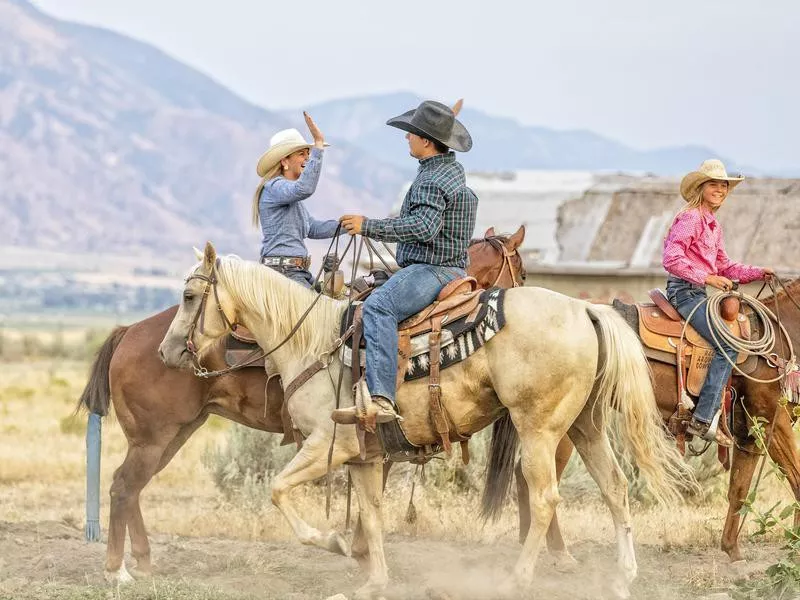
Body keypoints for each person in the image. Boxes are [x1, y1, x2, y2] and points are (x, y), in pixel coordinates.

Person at [332, 100, 478, 425]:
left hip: (432, 271)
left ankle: (381, 398)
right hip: (451, 267)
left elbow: (424, 227)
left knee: (379, 307)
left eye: (411, 133)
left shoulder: (430, 180)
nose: (406, 138)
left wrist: (367, 226)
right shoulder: (450, 173)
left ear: (426, 141)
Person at [663, 159, 774, 445]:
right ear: (701, 187)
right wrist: (708, 279)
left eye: (724, 185)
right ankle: (703, 418)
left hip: (698, 293)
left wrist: (756, 272)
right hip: (684, 291)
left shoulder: (713, 225)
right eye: (714, 184)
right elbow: (671, 259)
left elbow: (723, 264)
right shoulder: (691, 218)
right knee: (727, 343)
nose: (721, 189)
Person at [252, 112, 341, 288]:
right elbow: (305, 188)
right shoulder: (274, 187)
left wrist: (349, 226)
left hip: (295, 271)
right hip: (283, 272)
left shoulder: (288, 195)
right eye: (302, 154)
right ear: (285, 161)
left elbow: (312, 228)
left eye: (308, 154)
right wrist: (318, 146)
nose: (307, 158)